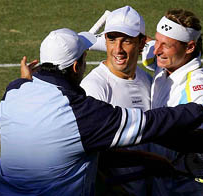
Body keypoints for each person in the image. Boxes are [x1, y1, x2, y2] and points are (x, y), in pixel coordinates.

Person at [0, 27, 203, 196]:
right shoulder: (84, 115)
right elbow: (149, 122)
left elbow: (88, 154)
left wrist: (146, 160)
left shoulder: (14, 92)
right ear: (77, 66)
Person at [141, 9, 203, 196]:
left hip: (192, 189)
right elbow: (142, 42)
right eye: (158, 41)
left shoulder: (199, 87)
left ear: (189, 47)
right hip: (163, 184)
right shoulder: (167, 60)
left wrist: (148, 130)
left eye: (166, 45)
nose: (157, 50)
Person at [80, 6, 154, 196]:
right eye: (111, 39)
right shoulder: (94, 88)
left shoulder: (149, 82)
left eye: (126, 40)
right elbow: (93, 157)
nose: (118, 49)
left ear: (141, 43)